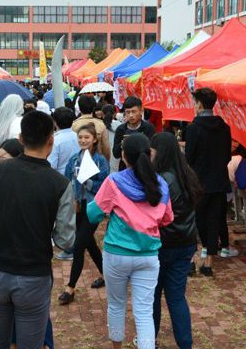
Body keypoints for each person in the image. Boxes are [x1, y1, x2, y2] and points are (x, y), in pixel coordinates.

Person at [0, 111, 76, 349]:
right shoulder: (60, 184)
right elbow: (65, 240)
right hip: (34, 276)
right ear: (51, 140)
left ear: (20, 139)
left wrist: (3, 225)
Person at [87, 134, 173, 349]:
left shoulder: (114, 181)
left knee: (116, 305)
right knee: (144, 312)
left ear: (124, 156)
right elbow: (167, 218)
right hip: (148, 255)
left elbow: (93, 214)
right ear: (149, 154)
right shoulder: (161, 184)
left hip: (116, 253)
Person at [150, 133, 202, 349]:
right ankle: (185, 343)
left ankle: (149, 339)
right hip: (185, 242)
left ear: (159, 152)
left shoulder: (161, 179)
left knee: (153, 295)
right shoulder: (187, 175)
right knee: (176, 297)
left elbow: (154, 213)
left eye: (152, 151)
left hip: (162, 243)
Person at [58, 123, 109, 305]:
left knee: (79, 244)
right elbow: (66, 181)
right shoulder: (74, 160)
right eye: (80, 137)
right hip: (78, 207)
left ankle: (70, 287)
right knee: (89, 243)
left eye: (87, 137)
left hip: (93, 208)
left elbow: (105, 185)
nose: (83, 140)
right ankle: (106, 274)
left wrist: (88, 183)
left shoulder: (100, 161)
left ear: (94, 139)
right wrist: (71, 200)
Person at [185, 87, 232, 276]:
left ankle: (194, 258)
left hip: (199, 183)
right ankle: (209, 263)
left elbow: (189, 157)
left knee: (197, 220)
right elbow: (227, 156)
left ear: (199, 104)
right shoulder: (224, 127)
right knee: (215, 220)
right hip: (219, 182)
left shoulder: (193, 128)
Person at [113, 96, 156, 171]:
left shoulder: (148, 128)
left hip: (144, 169)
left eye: (134, 111)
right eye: (128, 112)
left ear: (141, 111)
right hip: (124, 169)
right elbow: (115, 154)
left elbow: (152, 151)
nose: (131, 115)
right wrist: (124, 143)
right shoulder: (121, 129)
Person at [72, 95, 112, 161]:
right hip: (98, 161)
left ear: (79, 107)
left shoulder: (74, 125)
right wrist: (106, 162)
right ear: (93, 108)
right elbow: (106, 147)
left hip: (80, 161)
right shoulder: (100, 124)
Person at [48, 107, 79, 175]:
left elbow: (52, 166)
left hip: (61, 177)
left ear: (55, 122)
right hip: (78, 175)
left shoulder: (54, 141)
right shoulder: (79, 137)